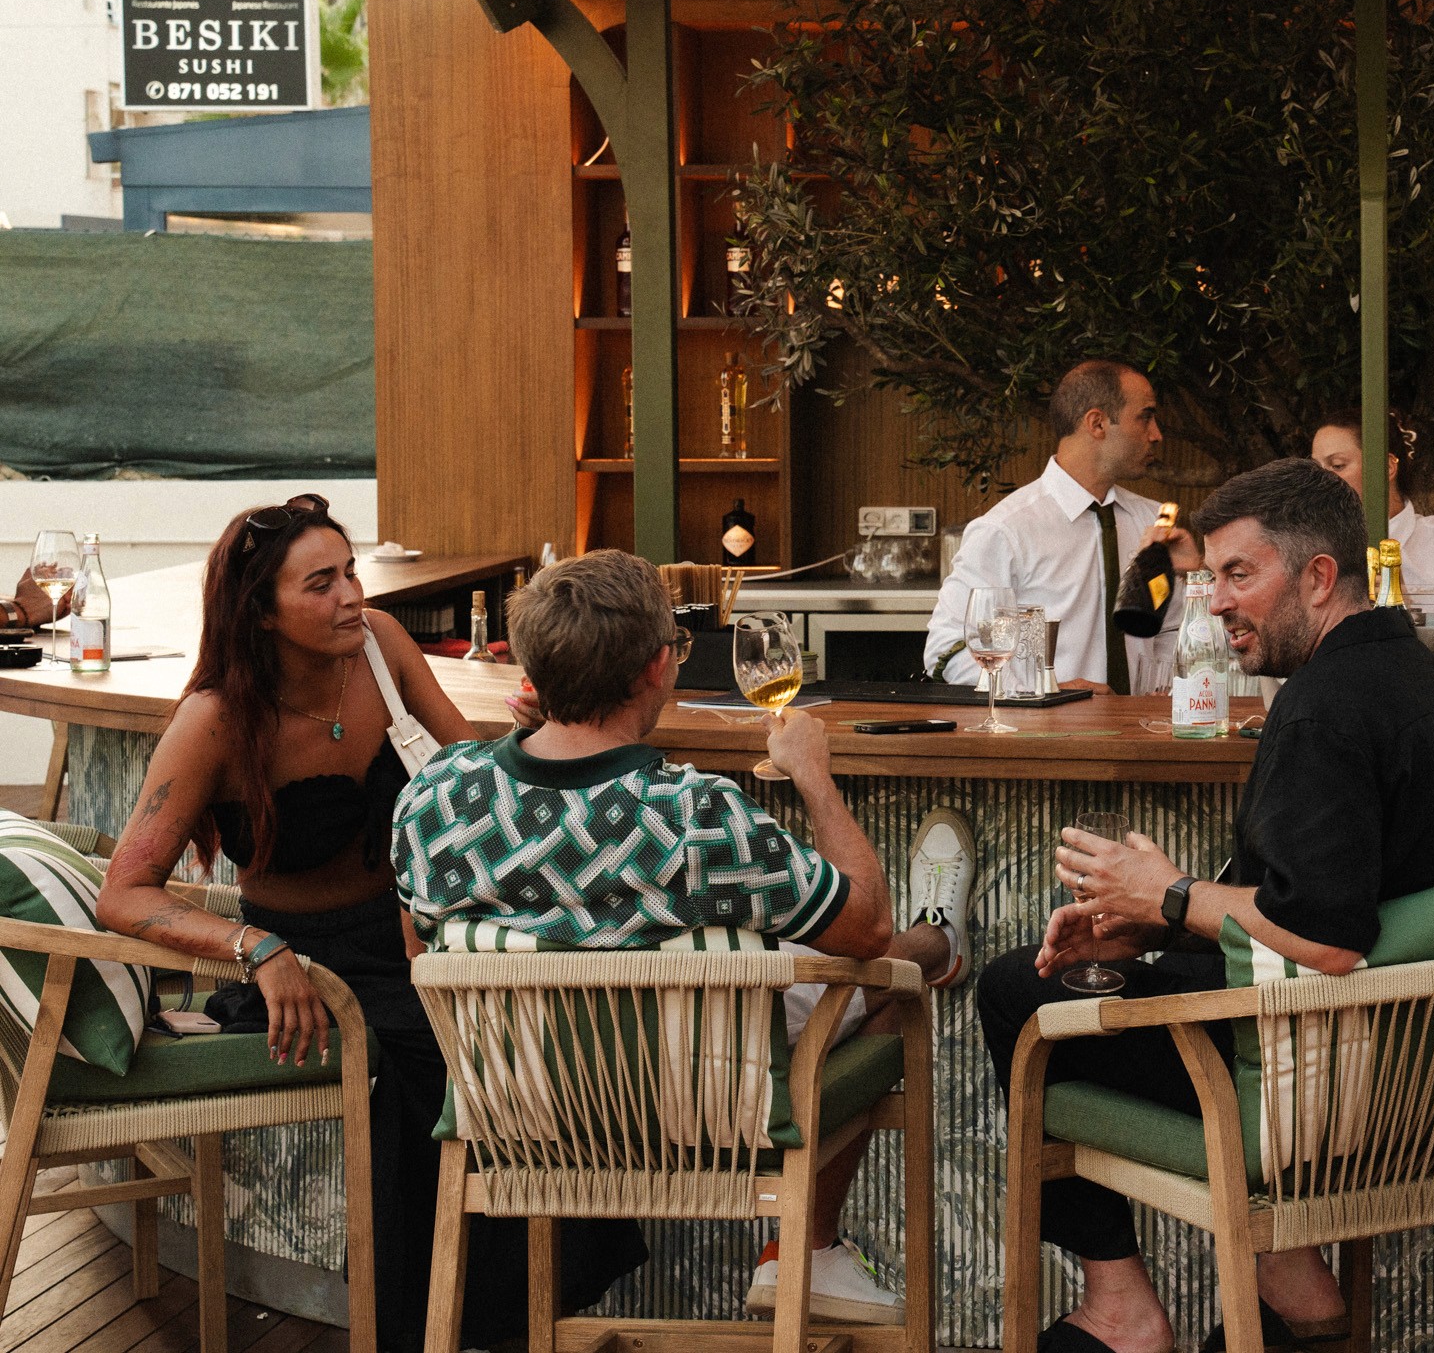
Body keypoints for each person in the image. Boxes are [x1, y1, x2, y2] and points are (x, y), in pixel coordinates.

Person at [975, 458, 1434, 1353]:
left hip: (1315, 1083)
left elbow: (1323, 940)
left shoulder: (1320, 712)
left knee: (1015, 992)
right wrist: (1155, 918)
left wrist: (1172, 891)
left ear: (1318, 577)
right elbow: (1343, 894)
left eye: (1238, 575)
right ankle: (1286, 1276)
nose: (1215, 602)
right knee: (1111, 965)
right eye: (1209, 576)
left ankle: (1125, 1311)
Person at [93, 495, 648, 1353]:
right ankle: (439, 1328)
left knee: (539, 1033)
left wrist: (530, 739)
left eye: (351, 572)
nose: (353, 595)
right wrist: (257, 951)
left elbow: (469, 778)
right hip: (315, 964)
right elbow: (124, 894)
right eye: (321, 584)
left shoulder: (383, 651)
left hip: (423, 933)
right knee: (430, 1067)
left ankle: (520, 1313)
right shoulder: (213, 721)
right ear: (261, 612)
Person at [390, 549, 977, 1327]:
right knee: (899, 969)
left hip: (519, 1109)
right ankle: (815, 1249)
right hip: (711, 1112)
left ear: (532, 666)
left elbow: (418, 943)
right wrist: (811, 774)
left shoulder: (436, 797)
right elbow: (862, 926)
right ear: (659, 666)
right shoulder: (695, 815)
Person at [926, 358, 1192, 693]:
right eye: (1145, 416)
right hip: (1045, 739)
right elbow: (949, 650)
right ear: (1097, 423)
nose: (1157, 435)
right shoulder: (1006, 530)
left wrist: (1163, 687)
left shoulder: (1151, 520)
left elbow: (1173, 630)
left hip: (1144, 735)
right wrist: (1045, 692)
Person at [1308, 407, 1434, 600]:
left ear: (1386, 468)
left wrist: (1409, 610)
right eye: (1316, 468)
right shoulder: (1310, 547)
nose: (1321, 479)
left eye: (1337, 465)